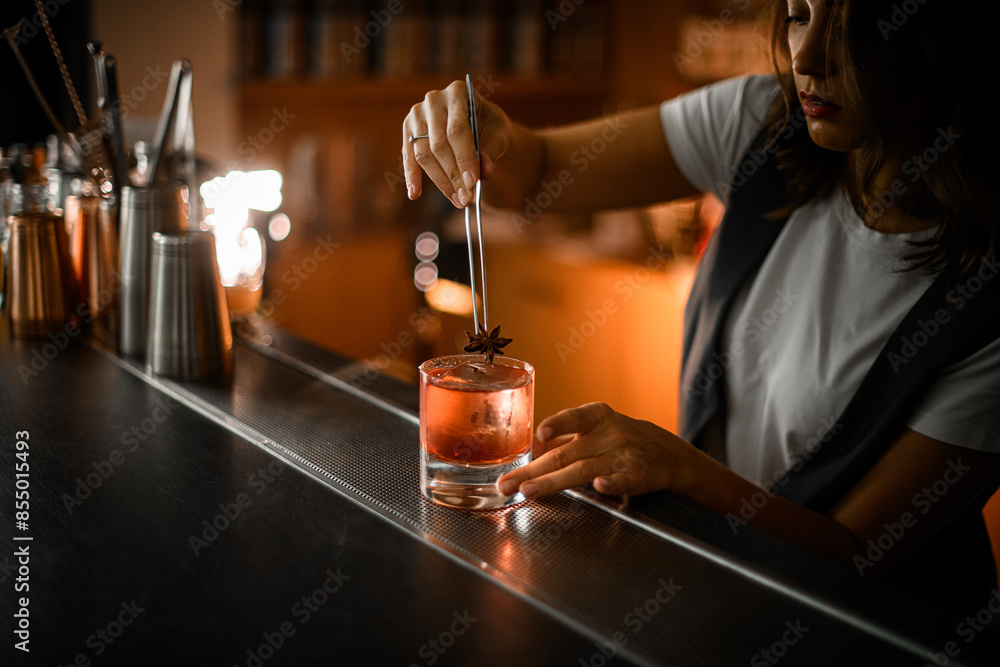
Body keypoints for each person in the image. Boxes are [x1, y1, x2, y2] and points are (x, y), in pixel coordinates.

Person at [402, 0, 1000, 616]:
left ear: (937, 42)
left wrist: (682, 470)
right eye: (798, 14)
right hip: (725, 595)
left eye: (851, 32)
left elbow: (853, 558)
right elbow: (539, 172)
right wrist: (486, 133)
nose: (808, 56)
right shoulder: (762, 123)